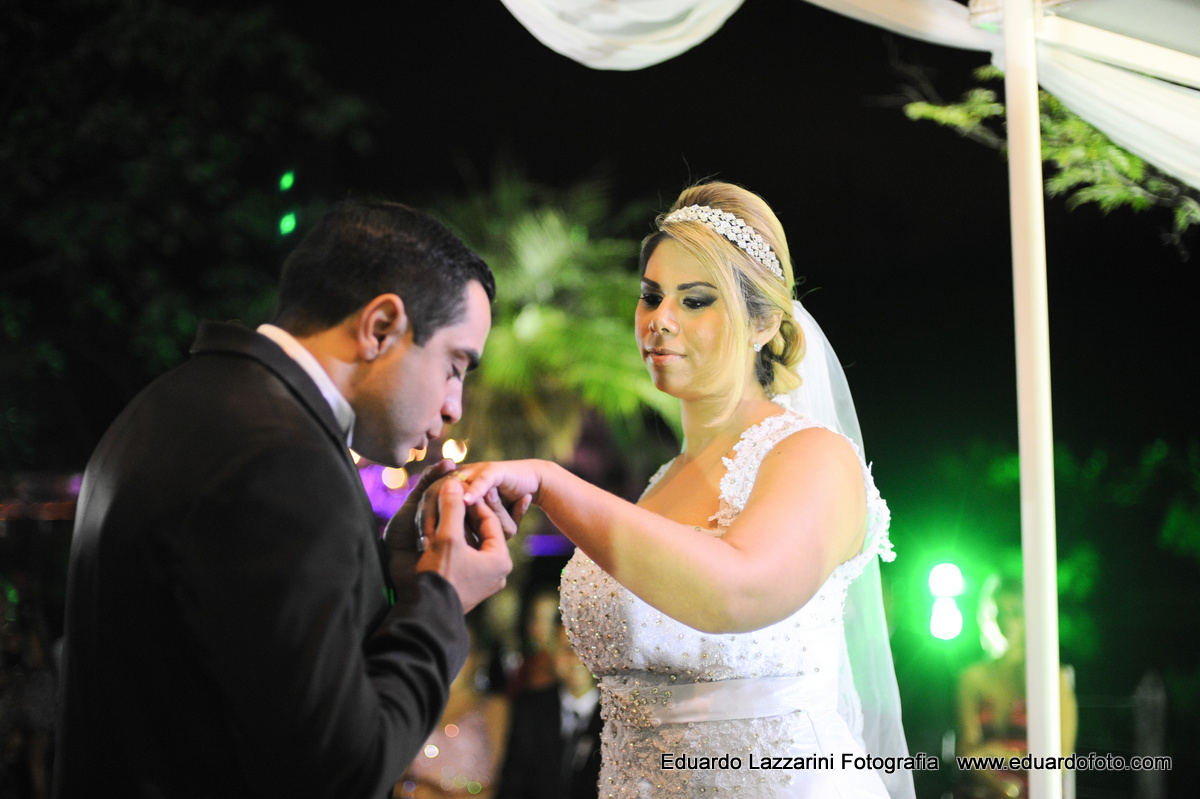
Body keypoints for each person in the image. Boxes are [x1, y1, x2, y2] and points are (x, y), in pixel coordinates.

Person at [452, 182, 914, 798]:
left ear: (765, 322)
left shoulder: (813, 458)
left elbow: (738, 590)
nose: (659, 320)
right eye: (650, 296)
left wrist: (550, 482)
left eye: (695, 301)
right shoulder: (657, 487)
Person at [54, 200, 518, 799]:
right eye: (456, 365)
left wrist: (400, 584)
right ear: (381, 327)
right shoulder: (284, 457)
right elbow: (337, 770)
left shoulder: (172, 403)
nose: (455, 404)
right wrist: (443, 602)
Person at [956, 575, 1077, 799]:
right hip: (983, 791)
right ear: (985, 617)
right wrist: (1001, 787)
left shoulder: (1051, 677)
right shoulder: (971, 677)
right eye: (999, 612)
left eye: (1015, 612)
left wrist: (994, 752)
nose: (1006, 621)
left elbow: (1060, 760)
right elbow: (966, 754)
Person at [397, 611, 510, 799]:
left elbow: (503, 782)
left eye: (464, 650)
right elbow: (392, 777)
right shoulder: (415, 706)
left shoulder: (493, 707)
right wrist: (414, 790)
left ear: (479, 658)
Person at [495, 623, 602, 799]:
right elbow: (512, 781)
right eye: (568, 648)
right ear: (552, 651)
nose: (577, 659)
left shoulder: (623, 717)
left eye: (588, 649)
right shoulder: (530, 709)